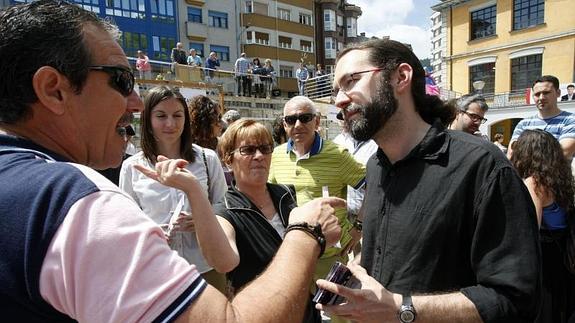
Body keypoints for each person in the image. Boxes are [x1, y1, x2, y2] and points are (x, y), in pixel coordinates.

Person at [0, 1, 345, 321]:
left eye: (265, 148)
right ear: (53, 89)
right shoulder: (74, 203)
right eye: (121, 80)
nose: (134, 102)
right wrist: (306, 231)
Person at [315, 39, 541, 322]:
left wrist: (401, 309)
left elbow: (515, 299)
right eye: (337, 89)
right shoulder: (375, 166)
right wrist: (358, 270)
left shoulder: (482, 165)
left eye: (351, 81)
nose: (339, 100)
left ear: (401, 77)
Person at [196, 119, 320, 322]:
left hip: (304, 309)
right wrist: (194, 191)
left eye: (265, 148)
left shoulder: (285, 193)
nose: (259, 156)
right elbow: (224, 262)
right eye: (248, 150)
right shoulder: (225, 210)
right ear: (228, 160)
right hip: (264, 314)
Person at [119, 86, 228, 292]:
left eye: (177, 115)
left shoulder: (207, 159)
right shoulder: (132, 166)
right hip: (157, 271)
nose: (170, 123)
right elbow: (127, 221)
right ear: (148, 121)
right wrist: (151, 231)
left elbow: (225, 207)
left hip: (205, 268)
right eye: (161, 116)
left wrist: (203, 219)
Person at [268, 96, 366, 322]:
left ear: (317, 121)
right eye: (291, 120)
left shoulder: (337, 155)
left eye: (305, 118)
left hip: (329, 257)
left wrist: (358, 227)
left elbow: (373, 185)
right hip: (293, 254)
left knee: (341, 315)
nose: (298, 125)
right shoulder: (277, 156)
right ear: (284, 124)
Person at [510, 129, 575, 322]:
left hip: (545, 261)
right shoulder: (559, 179)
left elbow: (530, 229)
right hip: (564, 256)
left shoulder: (534, 182)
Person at [508, 75, 575, 159]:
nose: (541, 97)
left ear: (558, 93)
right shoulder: (523, 124)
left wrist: (525, 151)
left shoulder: (571, 120)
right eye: (537, 94)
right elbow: (512, 154)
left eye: (546, 93)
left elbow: (562, 153)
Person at [332, 111, 377, 226]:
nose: (344, 121)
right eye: (342, 118)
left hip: (370, 215)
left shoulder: (376, 143)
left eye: (348, 117)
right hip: (344, 215)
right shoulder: (338, 141)